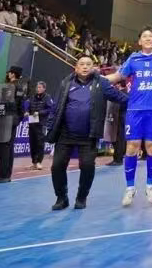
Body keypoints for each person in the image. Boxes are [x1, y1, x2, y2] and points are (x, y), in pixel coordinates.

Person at [104, 27, 152, 206]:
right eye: (144, 36)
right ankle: (130, 188)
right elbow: (118, 76)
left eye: (151, 36)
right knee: (132, 147)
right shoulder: (133, 59)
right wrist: (96, 77)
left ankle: (150, 186)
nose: (148, 38)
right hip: (135, 110)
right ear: (139, 41)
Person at [46, 54, 128, 210]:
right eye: (82, 64)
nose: (85, 67)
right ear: (76, 68)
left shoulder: (101, 84)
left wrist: (142, 99)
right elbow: (56, 106)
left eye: (88, 64)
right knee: (57, 166)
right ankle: (62, 198)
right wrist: (50, 127)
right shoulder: (66, 83)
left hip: (89, 135)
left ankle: (81, 197)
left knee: (88, 166)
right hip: (65, 133)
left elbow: (121, 98)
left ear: (93, 68)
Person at [0, 66, 26, 184]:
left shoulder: (9, 87)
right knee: (9, 147)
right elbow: (21, 107)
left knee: (3, 147)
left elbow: (2, 104)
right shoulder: (20, 87)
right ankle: (7, 174)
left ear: (12, 74)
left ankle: (2, 175)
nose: (8, 74)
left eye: (9, 73)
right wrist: (17, 119)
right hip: (13, 119)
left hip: (5, 119)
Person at [25, 81, 54, 170]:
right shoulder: (32, 97)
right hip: (32, 123)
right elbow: (28, 106)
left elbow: (50, 109)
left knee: (40, 143)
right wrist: (26, 111)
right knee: (32, 143)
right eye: (37, 87)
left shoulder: (47, 97)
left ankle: (39, 162)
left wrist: (39, 113)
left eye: (40, 87)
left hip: (41, 124)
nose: (38, 89)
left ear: (44, 89)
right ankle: (34, 162)